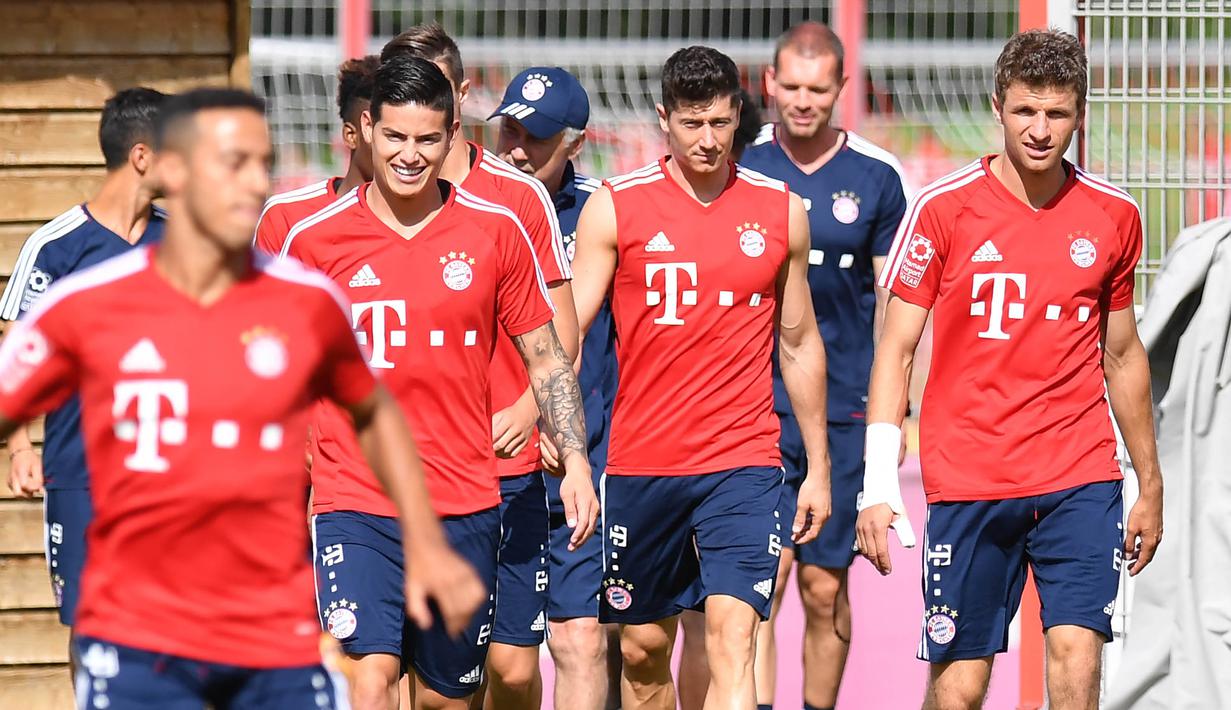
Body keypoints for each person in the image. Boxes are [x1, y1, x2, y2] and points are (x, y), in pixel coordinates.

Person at [0, 87, 484, 710]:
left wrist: (423, 538)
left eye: (263, 162)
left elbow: (374, 412)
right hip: (139, 630)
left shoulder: (306, 300)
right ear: (173, 169)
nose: (256, 183)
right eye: (233, 163)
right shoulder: (87, 303)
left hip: (270, 630)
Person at [857, 29, 1164, 710]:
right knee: (959, 686)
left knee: (1076, 654)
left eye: (1056, 114)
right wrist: (876, 482)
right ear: (997, 107)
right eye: (1025, 111)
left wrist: (1148, 479)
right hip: (970, 476)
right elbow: (895, 349)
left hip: (1078, 474)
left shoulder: (1113, 215)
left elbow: (1121, 353)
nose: (1039, 129)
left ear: (1078, 115)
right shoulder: (941, 209)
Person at [280, 56, 598, 710]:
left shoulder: (495, 231)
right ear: (366, 129)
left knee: (445, 699)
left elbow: (545, 356)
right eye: (394, 137)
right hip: (355, 497)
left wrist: (573, 459)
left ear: (453, 133)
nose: (408, 154)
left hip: (464, 499)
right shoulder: (311, 244)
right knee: (365, 676)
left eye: (426, 139)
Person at [570, 46, 831, 709]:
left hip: (743, 464)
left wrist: (818, 467)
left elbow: (798, 344)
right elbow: (564, 334)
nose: (708, 140)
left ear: (737, 114)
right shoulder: (615, 207)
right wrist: (558, 432)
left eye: (719, 122)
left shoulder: (779, 210)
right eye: (692, 124)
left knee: (730, 641)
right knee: (642, 651)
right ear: (664, 119)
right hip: (642, 465)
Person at [380, 25, 580, 709]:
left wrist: (530, 412)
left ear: (458, 96)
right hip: (394, 472)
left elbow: (560, 333)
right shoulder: (349, 210)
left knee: (514, 672)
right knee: (394, 665)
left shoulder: (515, 199)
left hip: (501, 469)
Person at [741, 22, 910, 710]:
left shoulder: (875, 178)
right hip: (754, 406)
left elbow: (897, 311)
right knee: (761, 580)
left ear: (842, 88)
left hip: (840, 409)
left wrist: (898, 417)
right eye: (791, 87)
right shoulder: (744, 168)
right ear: (769, 84)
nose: (802, 101)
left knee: (821, 586)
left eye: (818, 89)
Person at [1, 88, 168, 640]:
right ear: (143, 156)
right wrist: (20, 446)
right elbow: (15, 349)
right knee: (94, 627)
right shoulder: (56, 246)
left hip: (171, 469)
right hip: (81, 473)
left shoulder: (187, 241)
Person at [492, 66, 621, 710]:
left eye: (536, 137)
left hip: (583, 457)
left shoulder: (604, 212)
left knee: (580, 640)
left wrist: (570, 436)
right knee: (500, 659)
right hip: (490, 457)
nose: (517, 147)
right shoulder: (469, 205)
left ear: (576, 140)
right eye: (509, 128)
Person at [254, 54, 379, 254]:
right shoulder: (287, 218)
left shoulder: (432, 218)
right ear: (350, 135)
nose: (405, 151)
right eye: (383, 132)